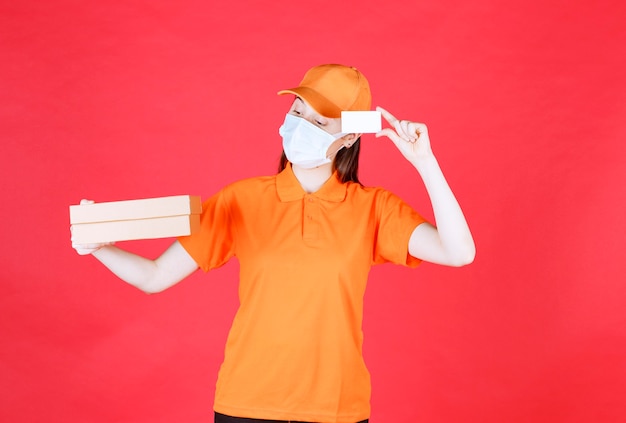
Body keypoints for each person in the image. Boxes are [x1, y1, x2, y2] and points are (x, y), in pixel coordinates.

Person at [72, 64, 475, 423]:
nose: (302, 125)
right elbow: (155, 275)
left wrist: (425, 161)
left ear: (351, 136)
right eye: (298, 111)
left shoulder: (373, 209)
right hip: (246, 405)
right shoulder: (241, 199)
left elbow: (459, 252)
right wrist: (99, 246)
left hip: (336, 409)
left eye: (321, 121)